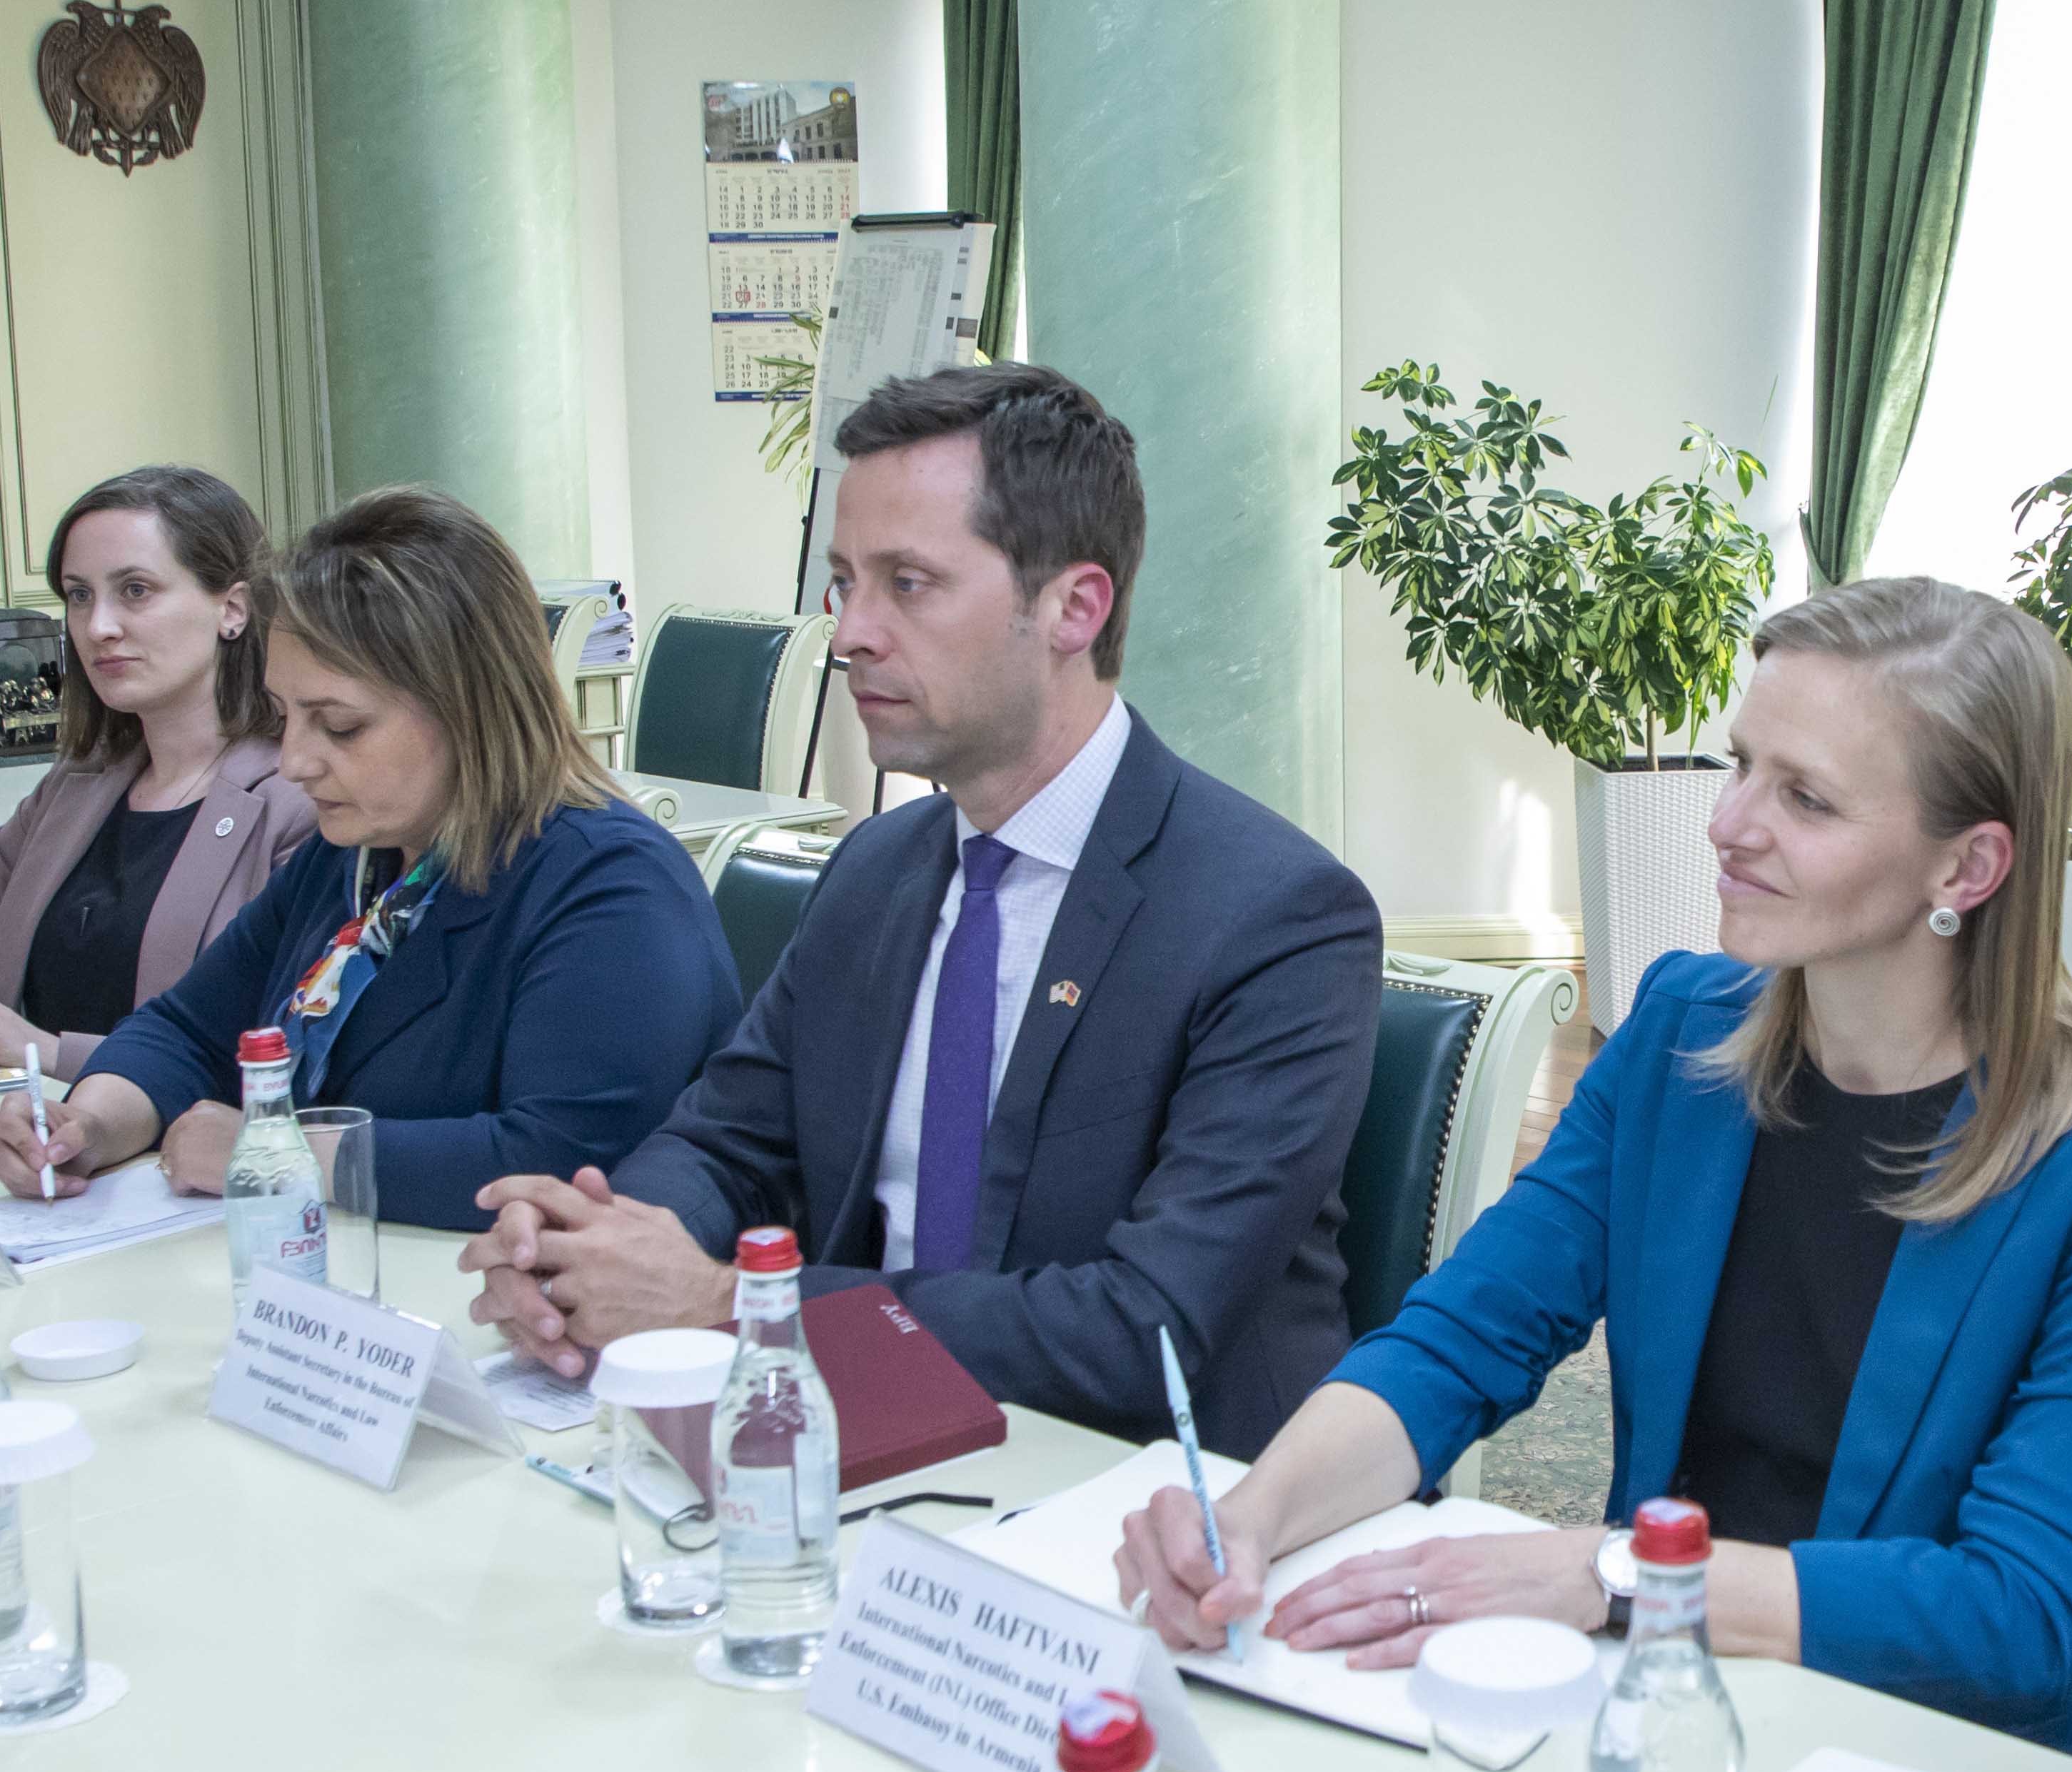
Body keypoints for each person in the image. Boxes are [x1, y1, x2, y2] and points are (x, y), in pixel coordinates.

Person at [1117, 578, 2072, 1772]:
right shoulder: (1678, 1033)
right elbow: (1458, 1342)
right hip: (1681, 1707)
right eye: (1740, 764)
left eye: (1804, 797)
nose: (1728, 823)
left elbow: (2022, 1613)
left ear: (1965, 868)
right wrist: (1253, 1514)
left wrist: (1614, 1571)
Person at [456, 363, 1383, 1454]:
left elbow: (1145, 1328)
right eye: (844, 581)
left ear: (1074, 608)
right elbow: (725, 1142)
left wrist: (727, 1301)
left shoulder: (1274, 917)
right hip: (856, 1440)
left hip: (1143, 1490)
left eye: (907, 583)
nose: (850, 631)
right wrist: (590, 1250)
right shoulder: (875, 869)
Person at [0, 488, 742, 1230]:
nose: (294, 761)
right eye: (285, 716)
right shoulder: (356, 855)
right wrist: (87, 1124)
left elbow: (558, 1158)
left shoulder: (611, 886)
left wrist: (279, 1153)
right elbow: (188, 1030)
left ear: (468, 709)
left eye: (340, 726)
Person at [0, 466, 317, 1078]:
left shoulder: (302, 800)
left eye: (135, 590)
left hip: (177, 1136)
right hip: (17, 1126)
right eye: (79, 595)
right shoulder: (75, 787)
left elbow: (286, 1052)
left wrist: (48, 1052)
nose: (98, 627)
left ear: (232, 609)